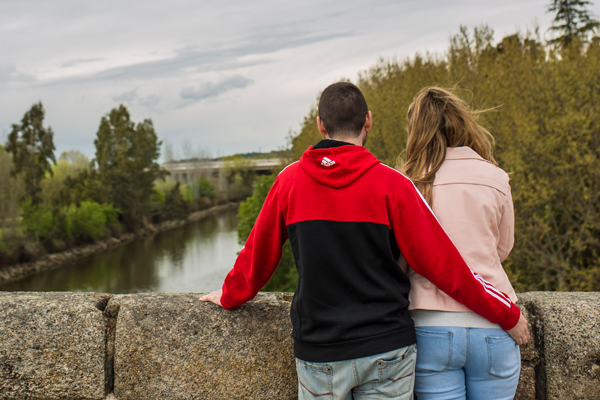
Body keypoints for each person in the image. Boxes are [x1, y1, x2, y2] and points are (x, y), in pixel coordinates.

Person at [200, 82, 529, 400]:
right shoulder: (394, 185)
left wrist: (230, 296)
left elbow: (258, 257)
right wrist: (506, 314)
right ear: (368, 120)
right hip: (387, 346)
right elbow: (444, 267)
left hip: (320, 348)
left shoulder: (288, 182)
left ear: (320, 125)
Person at [400, 87, 521, 400]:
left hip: (431, 326)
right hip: (494, 324)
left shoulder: (409, 182)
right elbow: (502, 248)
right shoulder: (495, 177)